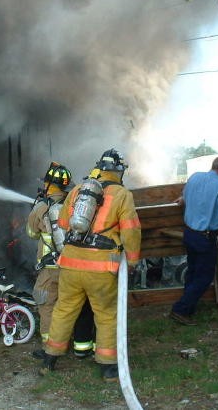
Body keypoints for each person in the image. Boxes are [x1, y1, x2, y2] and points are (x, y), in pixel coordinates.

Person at [40, 148, 141, 382]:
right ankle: (107, 367)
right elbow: (131, 232)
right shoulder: (122, 195)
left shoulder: (77, 190)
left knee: (64, 310)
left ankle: (49, 359)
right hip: (101, 269)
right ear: (119, 171)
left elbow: (64, 223)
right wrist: (133, 261)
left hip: (70, 265)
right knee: (105, 315)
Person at [27, 162, 95, 359]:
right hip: (74, 265)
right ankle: (80, 344)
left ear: (49, 185)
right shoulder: (76, 204)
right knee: (74, 304)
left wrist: (36, 211)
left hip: (51, 268)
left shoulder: (41, 208)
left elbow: (31, 233)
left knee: (47, 304)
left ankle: (51, 348)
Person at [169, 156, 218, 326]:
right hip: (205, 237)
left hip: (189, 233)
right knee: (204, 277)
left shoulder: (195, 177)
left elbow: (184, 197)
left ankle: (189, 307)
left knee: (193, 272)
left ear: (213, 166)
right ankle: (180, 310)